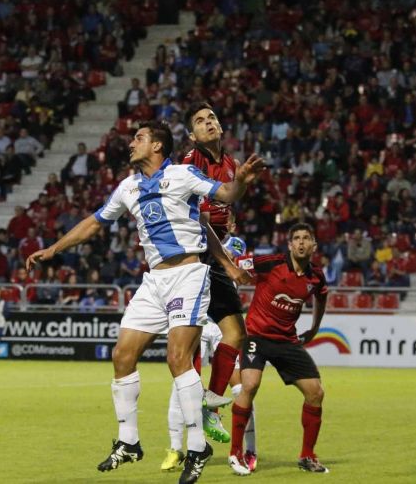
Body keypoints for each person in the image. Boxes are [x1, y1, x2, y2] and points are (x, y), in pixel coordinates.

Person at [26, 121, 264, 484]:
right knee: (122, 355)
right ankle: (129, 441)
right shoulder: (129, 186)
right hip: (154, 281)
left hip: (187, 273)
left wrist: (243, 179)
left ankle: (198, 447)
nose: (131, 143)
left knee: (177, 358)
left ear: (157, 146)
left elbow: (227, 195)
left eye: (139, 138)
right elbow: (93, 223)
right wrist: (54, 249)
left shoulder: (184, 175)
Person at [228, 223, 330, 475]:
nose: (301, 242)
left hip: (286, 340)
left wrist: (315, 327)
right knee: (249, 385)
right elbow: (238, 264)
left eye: (307, 238)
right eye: (296, 238)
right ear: (290, 244)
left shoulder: (315, 276)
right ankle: (235, 453)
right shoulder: (271, 263)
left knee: (315, 392)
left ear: (314, 245)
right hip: (257, 336)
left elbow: (322, 297)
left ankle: (307, 455)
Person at [181, 102, 255, 443]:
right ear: (191, 134)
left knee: (236, 334)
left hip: (215, 253)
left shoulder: (230, 164)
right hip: (191, 258)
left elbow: (225, 201)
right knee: (189, 339)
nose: (208, 123)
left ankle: (209, 405)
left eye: (211, 117)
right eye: (200, 121)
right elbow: (196, 219)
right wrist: (227, 262)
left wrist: (229, 216)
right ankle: (189, 420)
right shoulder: (188, 163)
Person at [163, 226, 256, 472]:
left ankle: (247, 449)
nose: (219, 217)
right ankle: (175, 449)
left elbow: (229, 257)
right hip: (200, 320)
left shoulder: (235, 243)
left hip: (222, 320)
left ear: (232, 223)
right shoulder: (194, 239)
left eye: (224, 215)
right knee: (183, 383)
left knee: (241, 388)